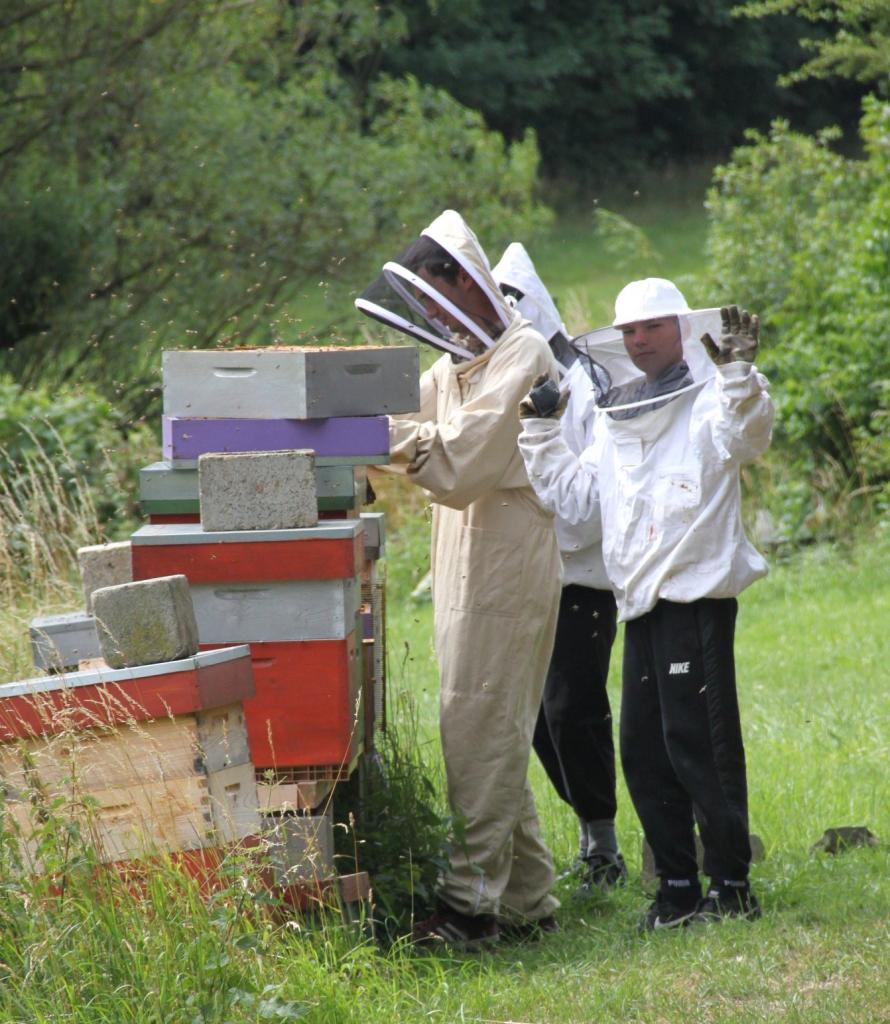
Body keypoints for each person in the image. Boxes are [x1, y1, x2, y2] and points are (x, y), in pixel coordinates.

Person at [517, 278, 774, 930]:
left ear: (681, 328)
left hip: (696, 593)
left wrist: (741, 373)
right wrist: (542, 432)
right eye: (630, 331)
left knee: (701, 745)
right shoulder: (613, 415)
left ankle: (732, 889)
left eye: (652, 327)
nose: (639, 340)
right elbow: (577, 507)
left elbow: (745, 439)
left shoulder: (714, 395)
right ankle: (678, 889)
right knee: (644, 750)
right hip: (638, 599)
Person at [354, 210, 562, 948]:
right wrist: (331, 425)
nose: (430, 315)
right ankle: (529, 901)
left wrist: (371, 438)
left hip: (509, 552)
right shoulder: (452, 367)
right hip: (462, 553)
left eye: (436, 296)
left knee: (479, 724)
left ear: (470, 284)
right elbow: (398, 424)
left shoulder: (521, 352)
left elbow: (462, 465)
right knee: (485, 723)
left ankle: (471, 908)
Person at [492, 243, 626, 895]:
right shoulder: (499, 376)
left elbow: (586, 510)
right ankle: (589, 833)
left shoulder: (587, 385)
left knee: (574, 710)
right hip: (525, 575)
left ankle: (604, 845)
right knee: (539, 718)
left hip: (581, 579)